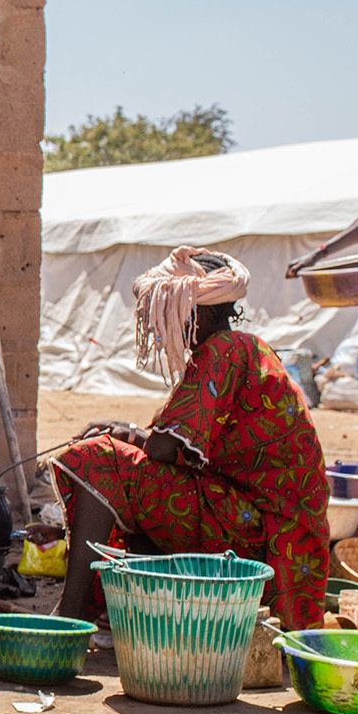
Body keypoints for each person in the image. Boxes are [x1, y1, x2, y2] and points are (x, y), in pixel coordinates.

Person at [52, 247, 327, 630]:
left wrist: (126, 434)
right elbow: (182, 446)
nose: (166, 323)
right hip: (272, 533)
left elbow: (165, 448)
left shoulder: (222, 353)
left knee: (99, 459)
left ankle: (71, 618)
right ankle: (137, 616)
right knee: (129, 475)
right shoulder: (246, 348)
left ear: (210, 312)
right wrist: (132, 433)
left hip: (256, 533)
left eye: (176, 311)